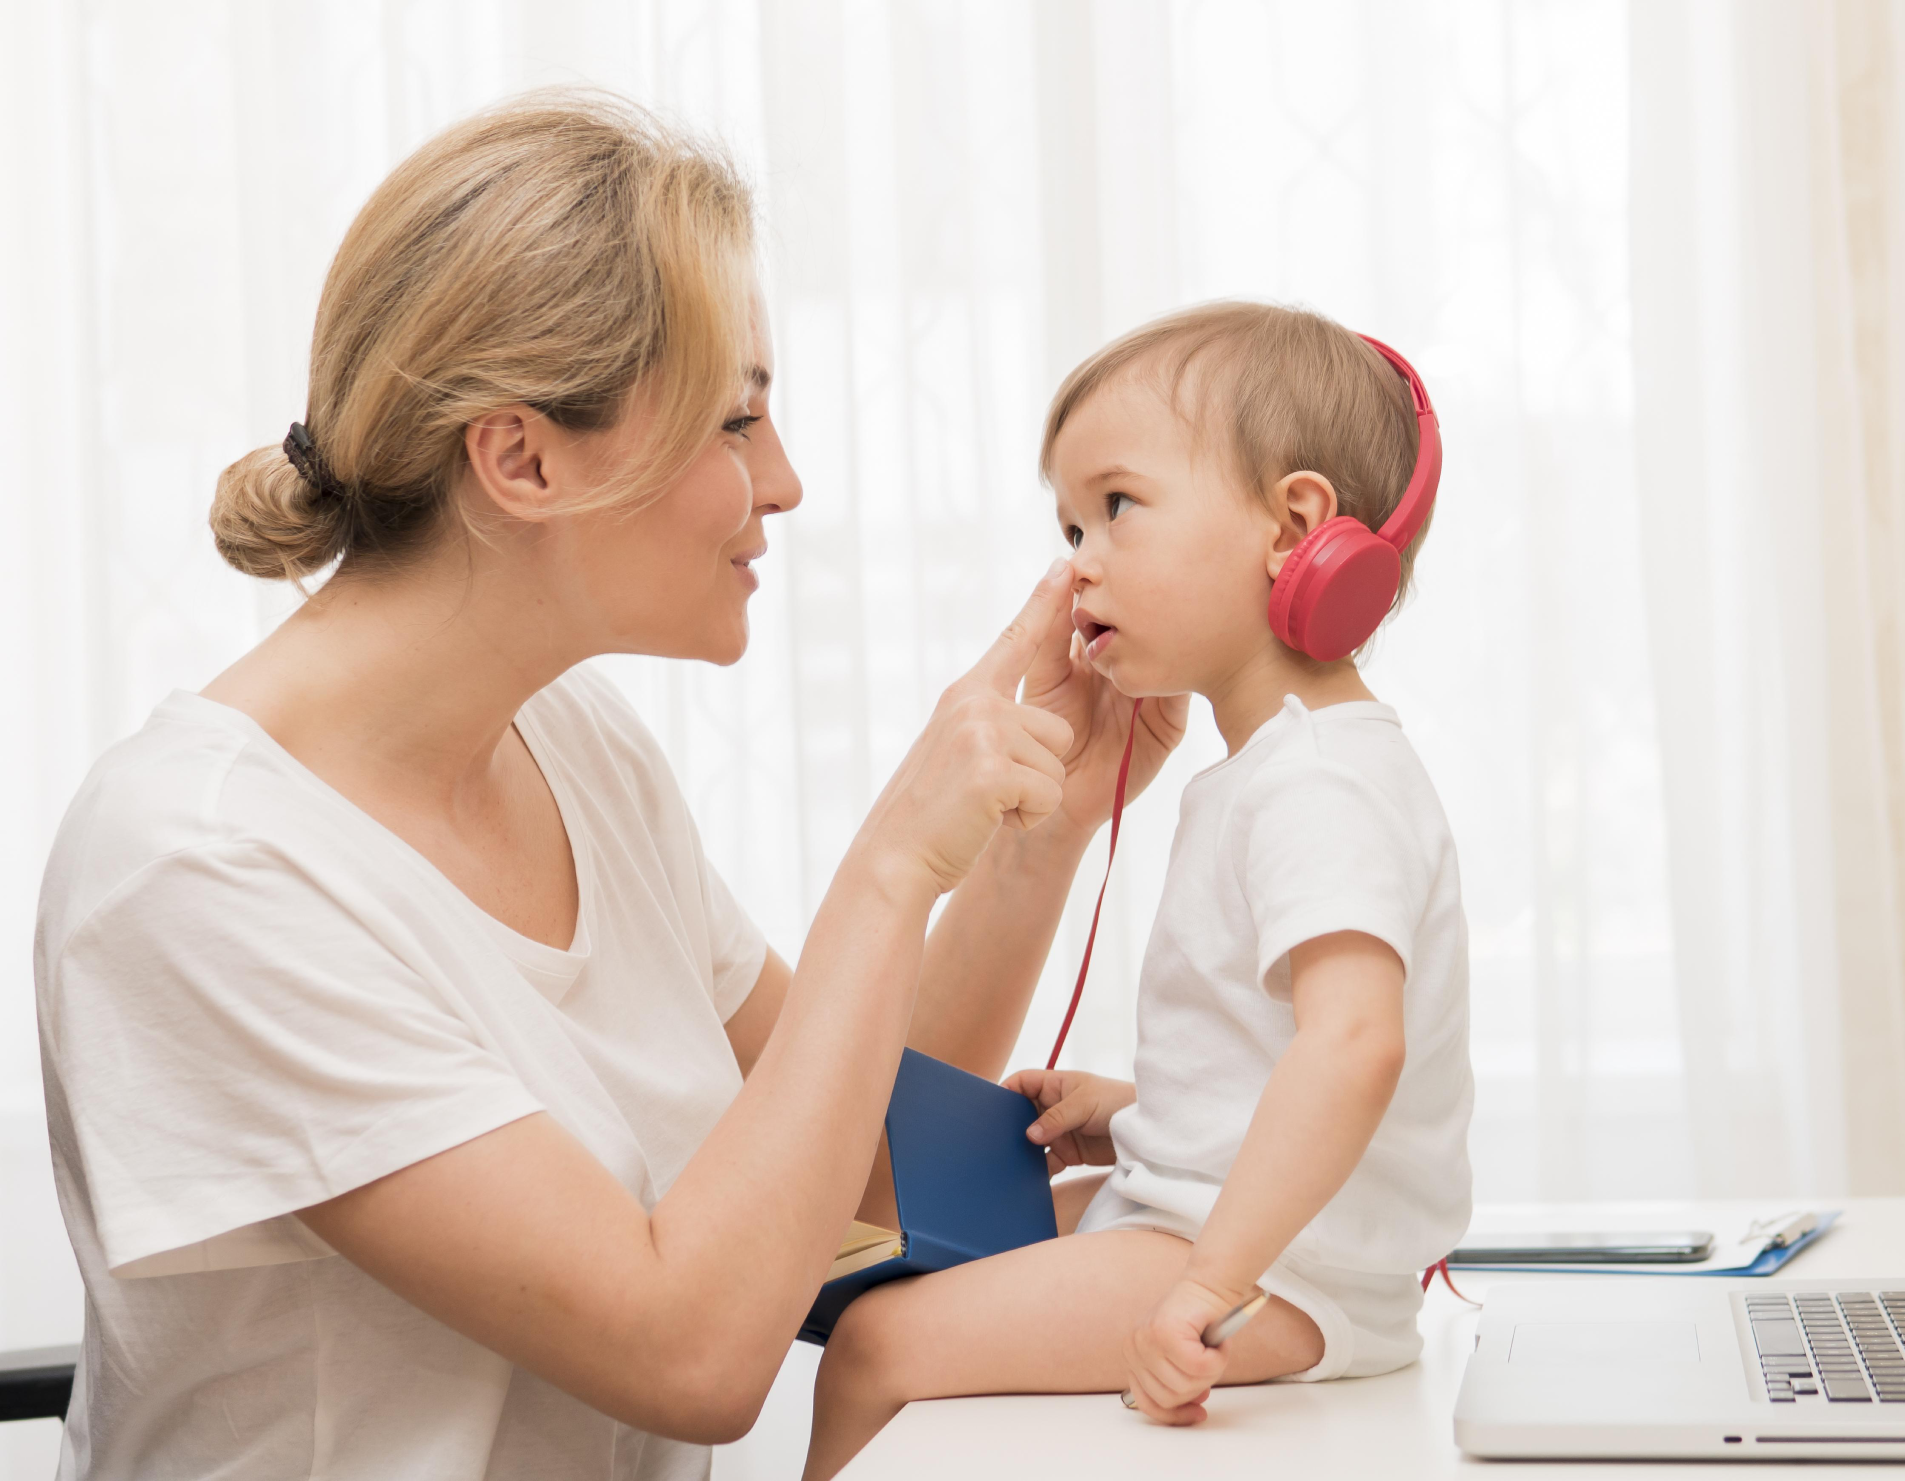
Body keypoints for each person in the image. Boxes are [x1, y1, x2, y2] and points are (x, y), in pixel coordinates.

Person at [32, 91, 1187, 1481]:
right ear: (522, 457)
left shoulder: (573, 745)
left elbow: (867, 1169)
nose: (788, 481)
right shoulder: (199, 867)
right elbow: (688, 1354)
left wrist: (1033, 829)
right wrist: (892, 865)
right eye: (735, 421)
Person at [804, 302, 1474, 1476]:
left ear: (1296, 524)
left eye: (1117, 505)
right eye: (1068, 524)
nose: (1080, 561)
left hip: (1273, 1267)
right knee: (887, 1256)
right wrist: (1140, 1110)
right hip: (1236, 1235)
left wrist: (1210, 1284)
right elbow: (1285, 1045)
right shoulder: (1282, 766)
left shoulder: (1317, 781)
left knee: (873, 1339)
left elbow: (1359, 1044)